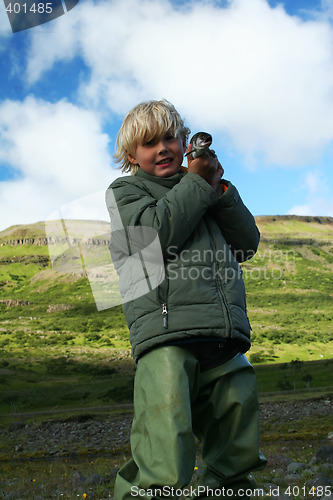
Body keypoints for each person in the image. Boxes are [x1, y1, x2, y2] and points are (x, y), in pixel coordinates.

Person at [105, 99, 266, 500]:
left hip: (221, 331)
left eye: (169, 138)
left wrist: (220, 189)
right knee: (165, 427)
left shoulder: (207, 186)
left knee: (237, 414)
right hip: (166, 334)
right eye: (148, 143)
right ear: (130, 156)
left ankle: (230, 490)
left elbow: (247, 244)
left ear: (183, 141)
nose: (161, 148)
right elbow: (152, 240)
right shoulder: (126, 191)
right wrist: (198, 183)